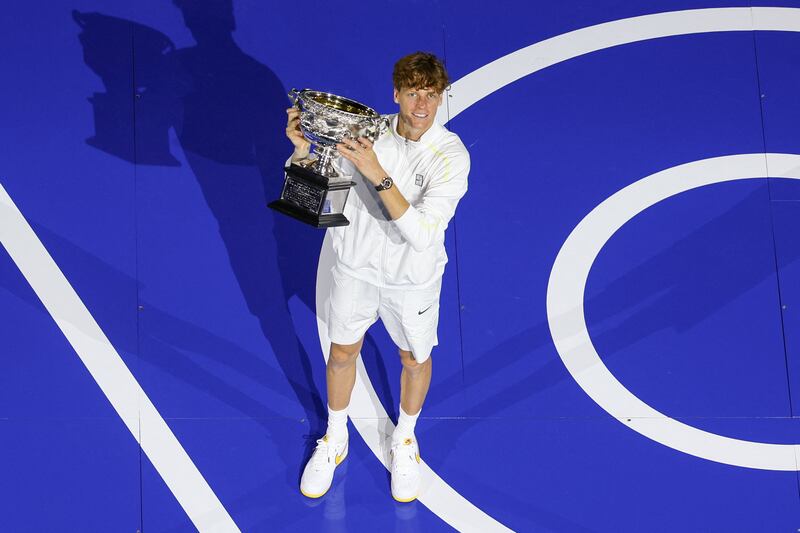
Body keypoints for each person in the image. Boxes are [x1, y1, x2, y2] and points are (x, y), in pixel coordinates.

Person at [285, 52, 470, 502]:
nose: (422, 105)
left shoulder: (451, 156)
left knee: (413, 359)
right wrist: (304, 153)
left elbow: (422, 235)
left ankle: (404, 440)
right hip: (354, 270)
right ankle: (335, 437)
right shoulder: (363, 133)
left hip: (413, 281)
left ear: (441, 96)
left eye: (431, 94)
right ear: (396, 94)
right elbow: (316, 208)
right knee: (342, 351)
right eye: (413, 94)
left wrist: (377, 173)